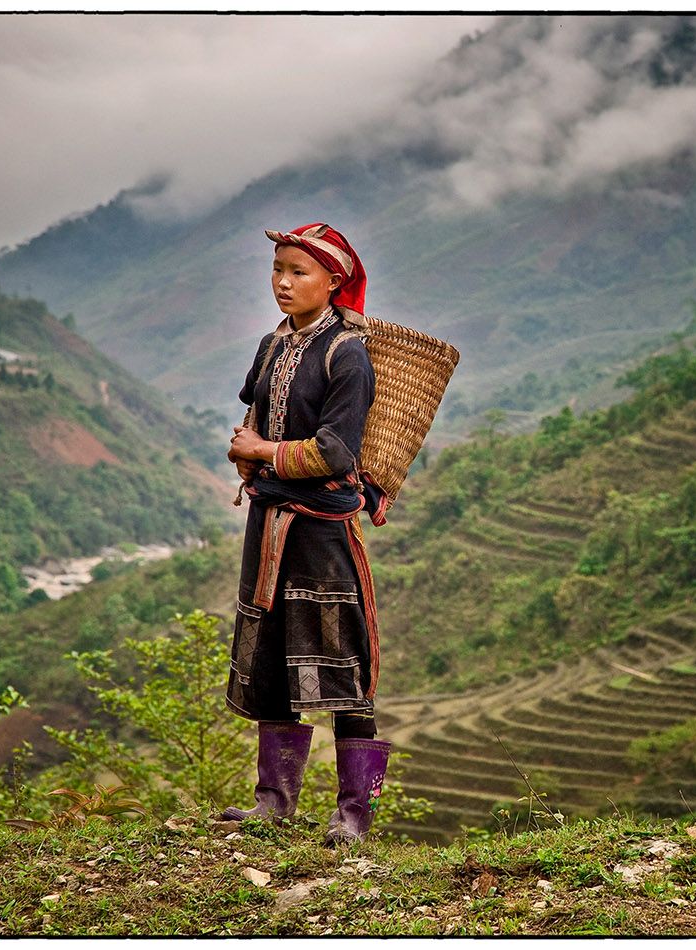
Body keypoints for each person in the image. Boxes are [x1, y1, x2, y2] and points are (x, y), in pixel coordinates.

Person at [222, 222, 389, 846]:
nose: (283, 282)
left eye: (299, 272)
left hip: (320, 529)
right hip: (268, 523)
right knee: (269, 658)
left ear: (334, 281)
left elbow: (337, 452)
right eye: (277, 270)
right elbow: (255, 410)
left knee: (341, 665)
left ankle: (354, 814)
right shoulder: (273, 344)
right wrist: (248, 451)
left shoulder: (347, 352)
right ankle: (275, 803)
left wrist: (263, 450)